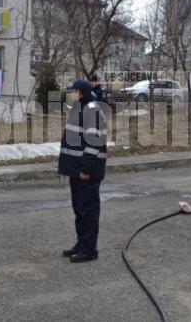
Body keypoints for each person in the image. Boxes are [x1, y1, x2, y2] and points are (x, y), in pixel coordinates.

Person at [59, 79, 108, 263]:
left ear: (80, 93)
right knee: (79, 210)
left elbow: (95, 142)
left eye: (72, 91)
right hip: (76, 170)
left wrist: (86, 168)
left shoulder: (92, 109)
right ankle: (81, 244)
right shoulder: (80, 108)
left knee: (88, 211)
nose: (70, 94)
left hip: (86, 171)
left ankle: (89, 249)